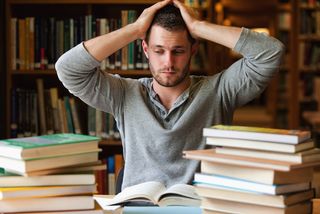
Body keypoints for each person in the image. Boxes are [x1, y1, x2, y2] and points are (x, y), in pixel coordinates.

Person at [55, 0, 284, 191]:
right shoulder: (124, 94)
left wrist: (198, 27)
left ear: (193, 50)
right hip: (139, 207)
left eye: (178, 51)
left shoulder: (220, 91)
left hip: (198, 208)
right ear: (145, 50)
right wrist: (134, 30)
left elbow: (270, 53)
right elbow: (68, 69)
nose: (168, 63)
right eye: (159, 51)